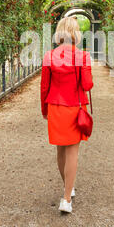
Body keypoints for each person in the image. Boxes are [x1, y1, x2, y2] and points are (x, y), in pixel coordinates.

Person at [40, 16, 93, 213]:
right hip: (75, 107)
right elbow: (87, 85)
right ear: (76, 33)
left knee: (60, 151)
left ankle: (67, 189)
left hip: (55, 106)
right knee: (73, 152)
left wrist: (44, 110)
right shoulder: (82, 56)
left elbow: (44, 87)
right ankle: (66, 199)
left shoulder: (49, 56)